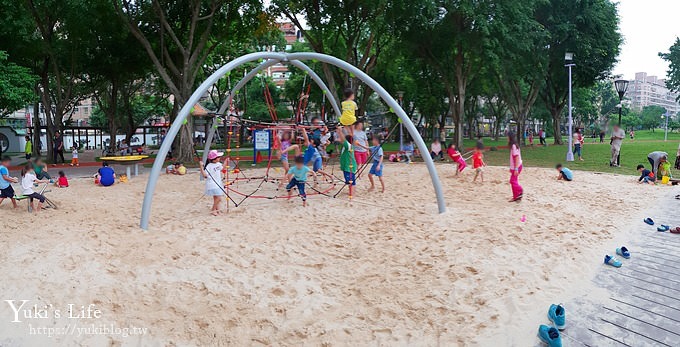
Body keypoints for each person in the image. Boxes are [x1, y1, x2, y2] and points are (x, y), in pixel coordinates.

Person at [199, 150, 228, 215]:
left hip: (218, 183)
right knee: (219, 197)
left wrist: (226, 162)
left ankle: (218, 209)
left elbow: (222, 168)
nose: (219, 158)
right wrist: (201, 167)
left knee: (216, 197)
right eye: (218, 157)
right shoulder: (209, 166)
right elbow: (205, 175)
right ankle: (213, 209)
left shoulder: (218, 164)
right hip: (212, 184)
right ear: (214, 159)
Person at [338, 126, 357, 198]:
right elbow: (344, 139)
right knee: (349, 180)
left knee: (351, 181)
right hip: (346, 166)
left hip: (349, 166)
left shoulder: (348, 146)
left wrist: (340, 131)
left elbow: (343, 139)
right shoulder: (347, 146)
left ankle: (352, 193)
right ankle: (351, 192)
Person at [508, 132, 523, 202]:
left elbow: (516, 157)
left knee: (512, 181)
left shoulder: (514, 146)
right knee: (514, 181)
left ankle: (520, 190)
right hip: (515, 167)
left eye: (508, 137)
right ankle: (516, 196)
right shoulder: (514, 145)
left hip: (517, 167)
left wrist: (516, 169)